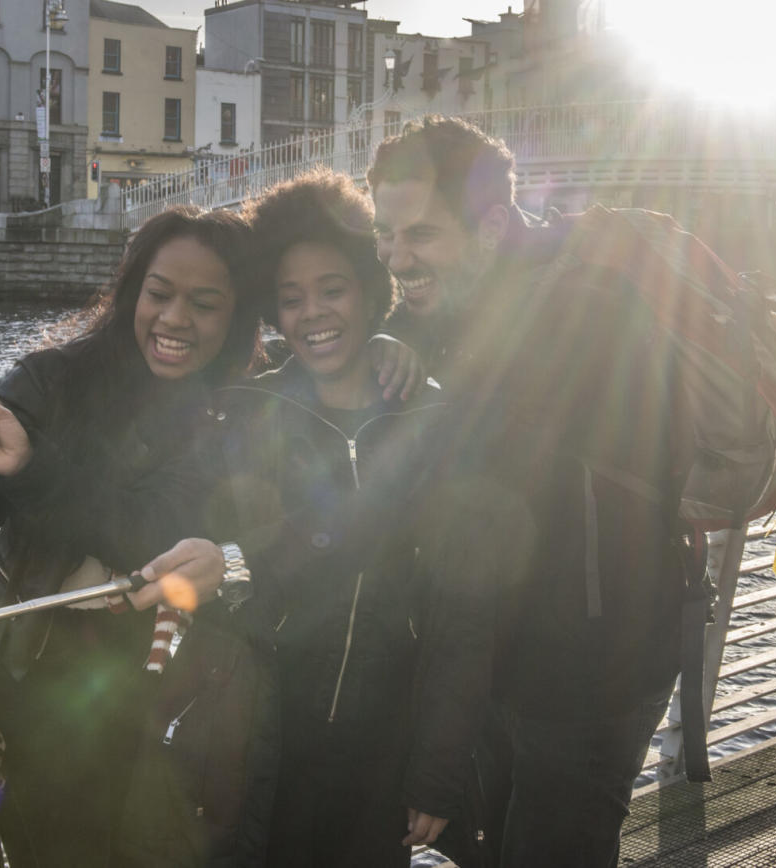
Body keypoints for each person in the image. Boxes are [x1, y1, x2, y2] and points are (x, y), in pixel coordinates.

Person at [369, 116, 690, 867]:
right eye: (385, 234)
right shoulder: (475, 297)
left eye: (419, 235)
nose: (395, 258)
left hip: (595, 665)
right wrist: (397, 336)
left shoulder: (584, 310)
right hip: (514, 656)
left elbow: (478, 511)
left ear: (492, 225)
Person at [0, 206, 264, 867]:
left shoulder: (238, 412)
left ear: (237, 315)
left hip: (174, 694)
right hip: (40, 685)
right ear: (132, 290)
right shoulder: (50, 381)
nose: (173, 320)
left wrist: (29, 466)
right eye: (158, 294)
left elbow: (146, 533)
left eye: (205, 303)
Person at [138, 170, 461, 866]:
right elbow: (179, 517)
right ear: (273, 314)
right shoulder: (251, 413)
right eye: (290, 299)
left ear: (372, 291)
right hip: (259, 736)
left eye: (333, 290)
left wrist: (437, 766)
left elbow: (459, 611)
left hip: (381, 744)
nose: (313, 313)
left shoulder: (429, 418)